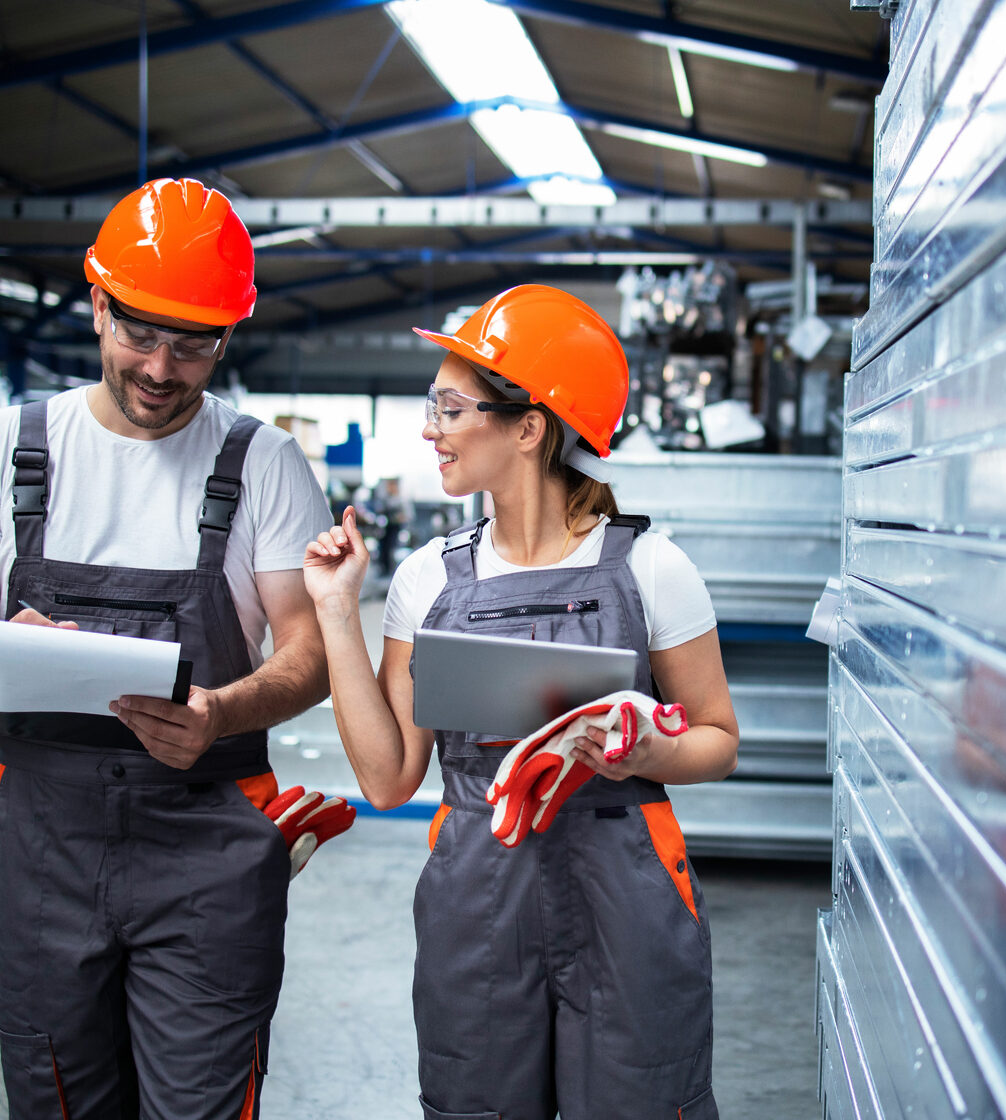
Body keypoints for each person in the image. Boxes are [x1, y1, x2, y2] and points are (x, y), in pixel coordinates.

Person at [0, 178, 337, 1118]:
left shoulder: (260, 462)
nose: (160, 367)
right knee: (59, 1096)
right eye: (141, 334)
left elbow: (307, 648)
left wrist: (221, 712)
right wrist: (1, 664)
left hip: (208, 848)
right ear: (98, 304)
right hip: (42, 845)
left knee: (200, 1103)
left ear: (228, 338)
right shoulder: (9, 445)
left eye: (193, 346)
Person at [302, 284, 739, 1120]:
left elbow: (718, 738)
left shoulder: (653, 568)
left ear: (528, 427)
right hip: (478, 898)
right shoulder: (429, 578)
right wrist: (334, 609)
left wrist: (653, 753)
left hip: (628, 890)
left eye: (450, 406)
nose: (431, 428)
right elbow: (390, 779)